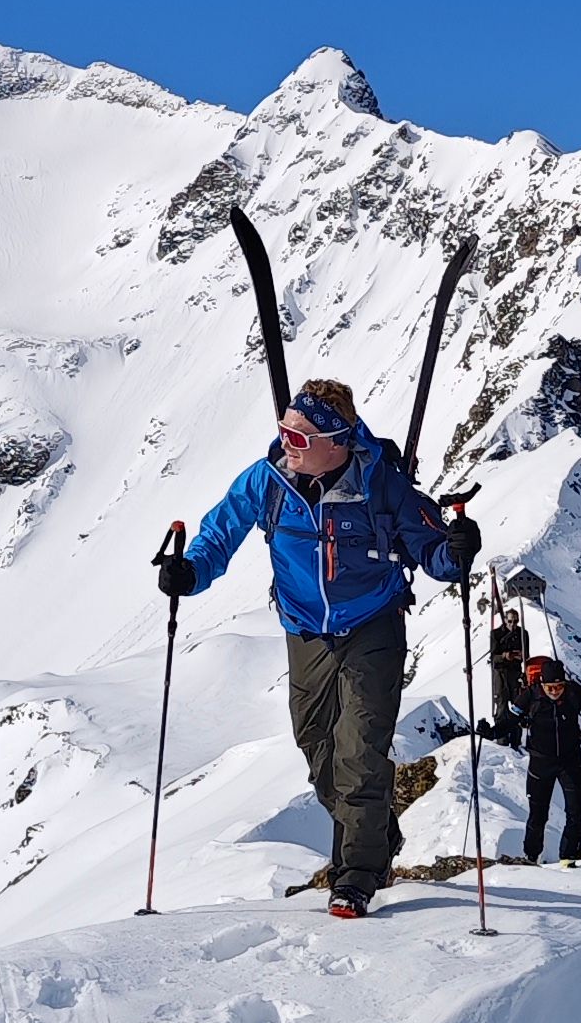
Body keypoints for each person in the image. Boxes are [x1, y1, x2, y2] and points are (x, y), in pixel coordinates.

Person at [158, 379, 479, 917]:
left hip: (372, 625)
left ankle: (355, 876)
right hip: (305, 628)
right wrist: (188, 573)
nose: (287, 443)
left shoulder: (382, 484)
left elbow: (434, 556)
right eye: (284, 431)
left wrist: (458, 550)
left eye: (300, 438)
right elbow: (221, 532)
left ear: (339, 441)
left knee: (359, 749)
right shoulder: (268, 480)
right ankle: (375, 834)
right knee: (316, 746)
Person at [514, 656, 581, 864]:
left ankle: (569, 855)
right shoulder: (530, 696)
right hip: (541, 762)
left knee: (575, 809)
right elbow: (509, 719)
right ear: (542, 683)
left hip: (570, 761)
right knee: (538, 813)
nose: (554, 691)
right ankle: (531, 856)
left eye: (559, 686)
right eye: (550, 687)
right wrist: (491, 730)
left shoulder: (575, 693)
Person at [485, 604, 530, 745]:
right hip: (500, 675)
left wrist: (521, 656)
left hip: (515, 674)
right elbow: (493, 657)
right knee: (501, 707)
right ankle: (502, 741)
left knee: (518, 708)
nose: (513, 624)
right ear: (505, 620)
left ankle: (516, 742)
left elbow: (527, 655)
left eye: (515, 621)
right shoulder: (496, 634)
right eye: (510, 621)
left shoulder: (523, 634)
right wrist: (505, 656)